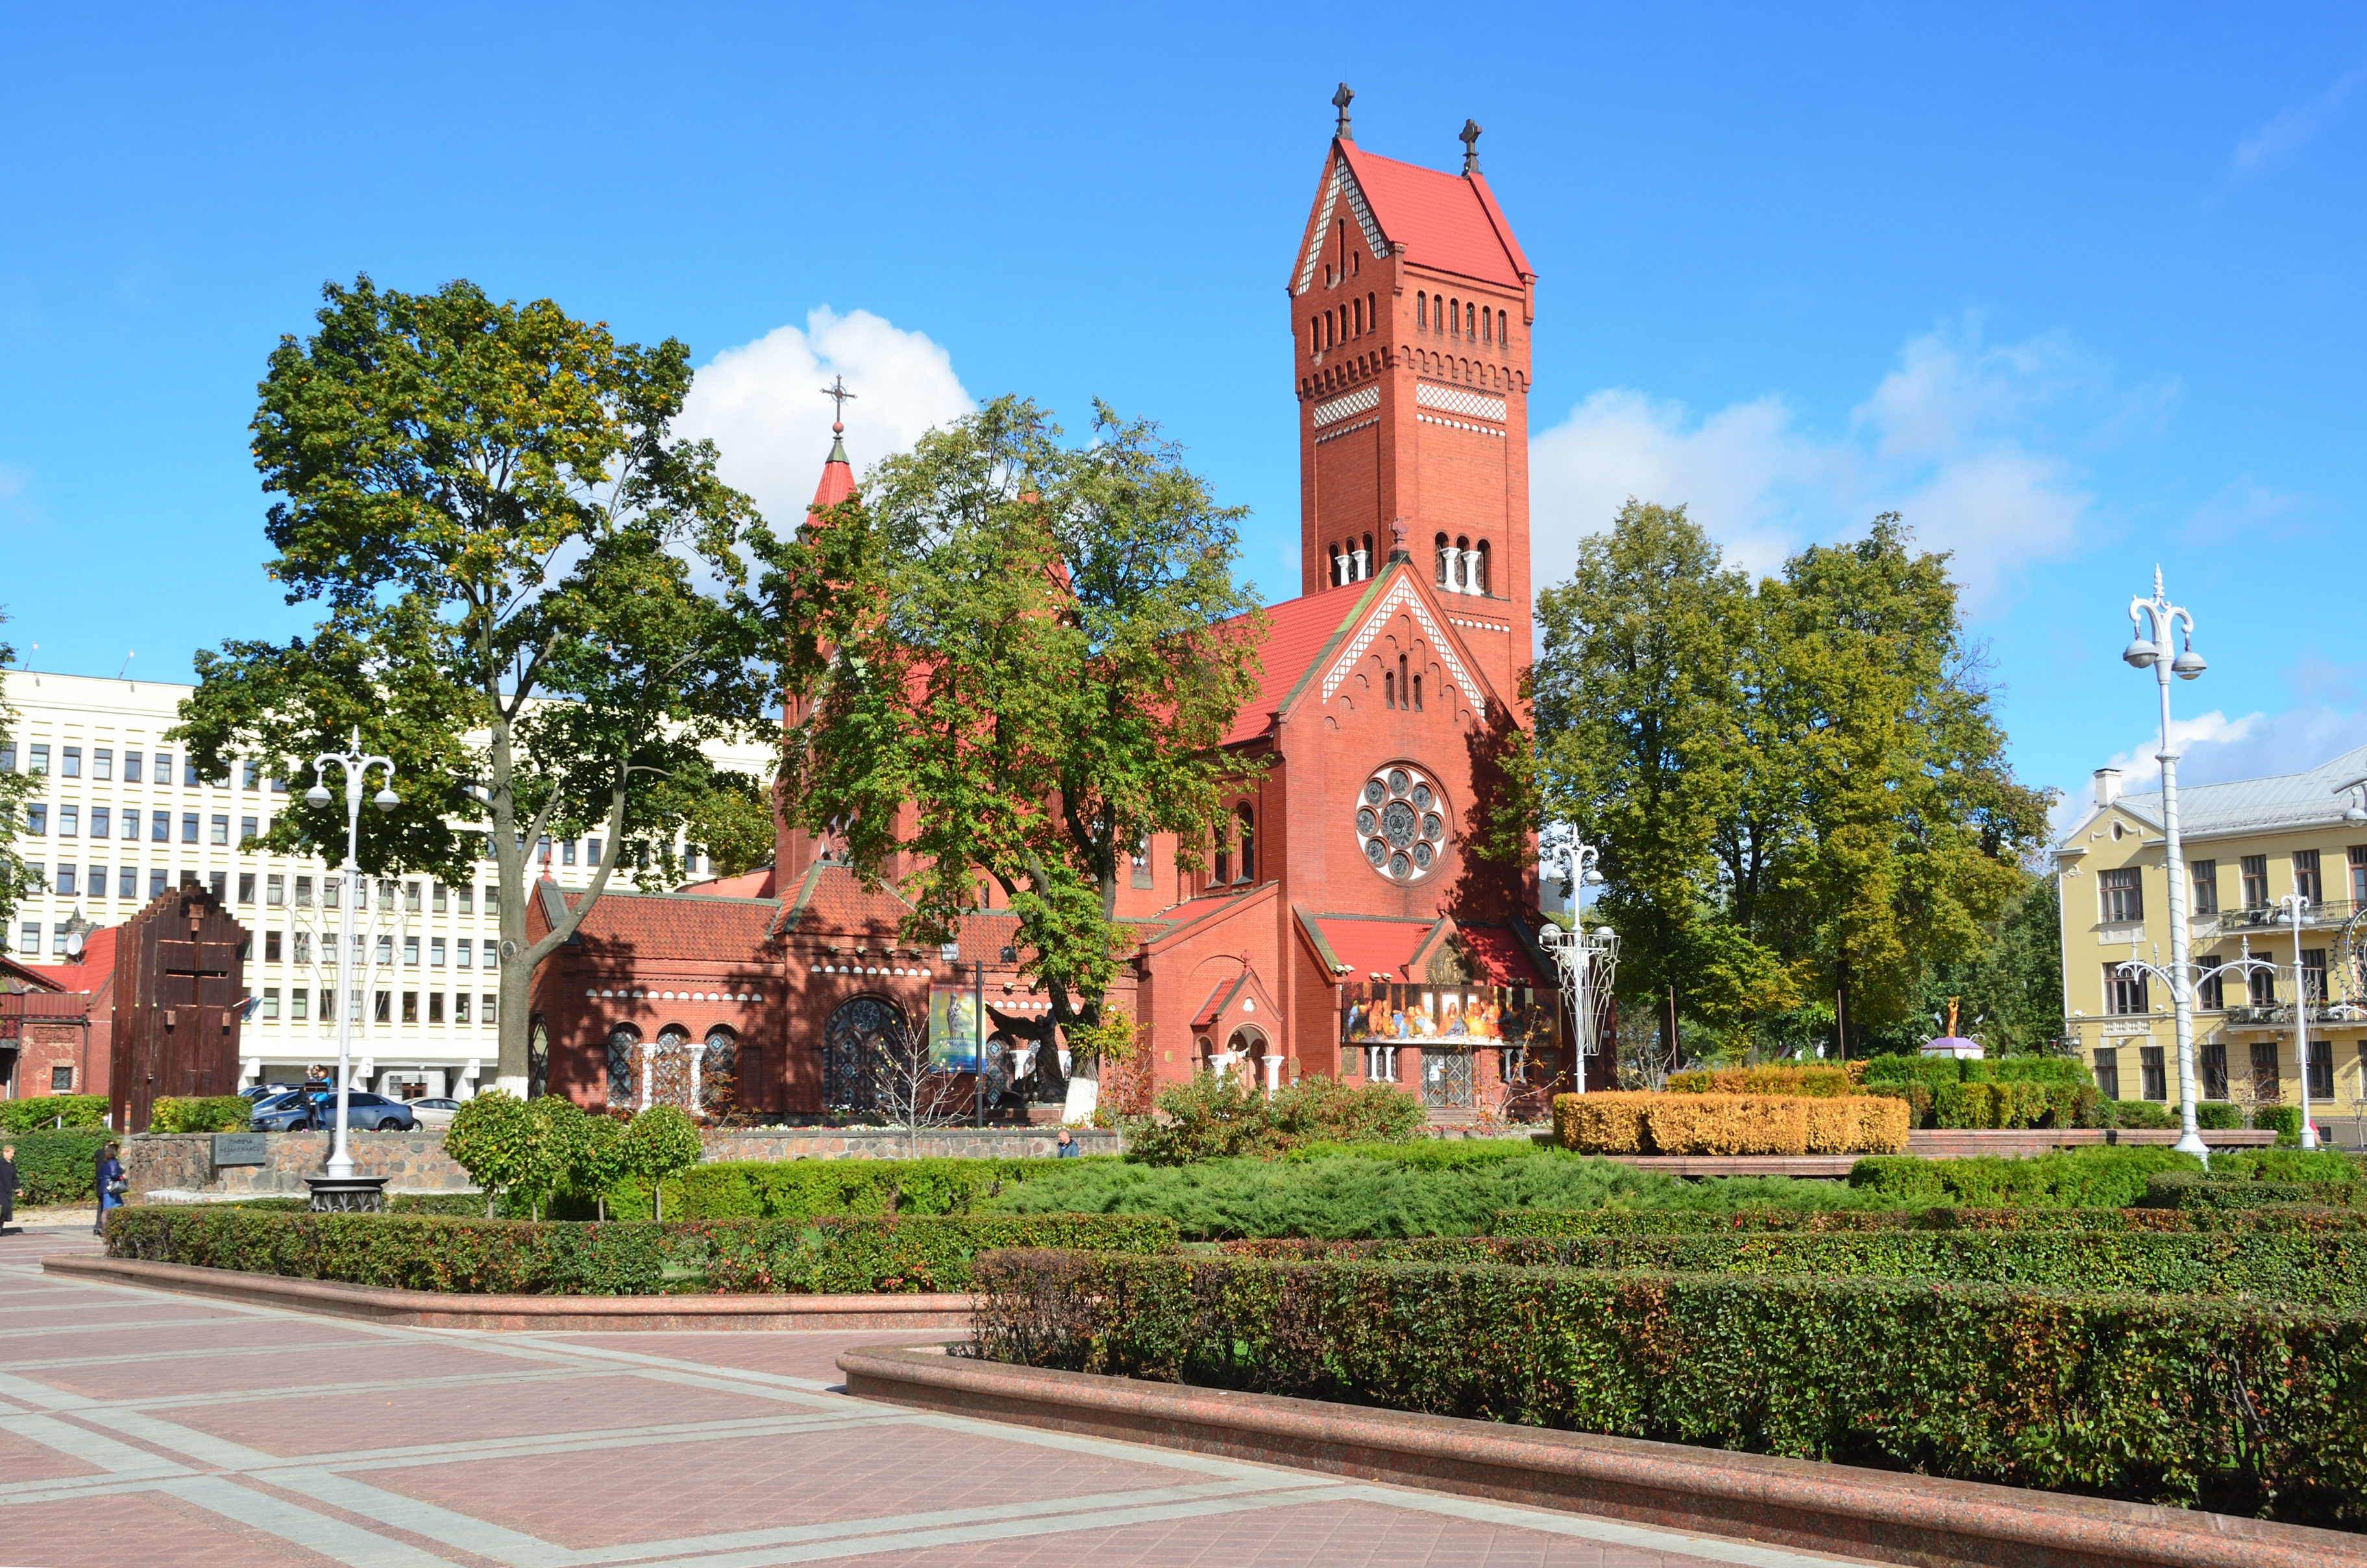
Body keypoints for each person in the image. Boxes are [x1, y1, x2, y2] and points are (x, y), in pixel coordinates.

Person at [94, 1142, 125, 1235]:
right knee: (107, 1210)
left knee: (119, 1205)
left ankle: (114, 1226)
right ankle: (106, 1229)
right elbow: (114, 1175)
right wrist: (121, 1176)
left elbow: (100, 1175)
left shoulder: (104, 1161)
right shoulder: (113, 1162)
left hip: (105, 1186)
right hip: (111, 1188)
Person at [1, 1142, 16, 1233]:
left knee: (5, 1211)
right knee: (1, 1211)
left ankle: (0, 1229)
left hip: (8, 1191)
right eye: (11, 1153)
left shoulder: (12, 1164)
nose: (12, 1155)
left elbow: (15, 1178)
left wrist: (18, 1189)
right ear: (5, 1153)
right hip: (0, 1191)